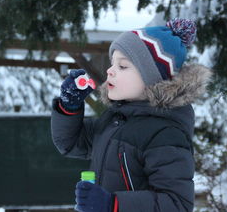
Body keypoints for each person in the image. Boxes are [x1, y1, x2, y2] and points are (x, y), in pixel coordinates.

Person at [51, 18, 212, 212]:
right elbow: (70, 143)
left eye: (123, 66)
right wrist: (70, 106)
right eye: (112, 64)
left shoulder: (165, 133)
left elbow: (177, 204)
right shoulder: (114, 121)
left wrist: (113, 205)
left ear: (152, 78)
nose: (110, 71)